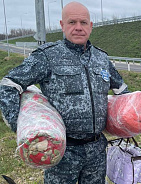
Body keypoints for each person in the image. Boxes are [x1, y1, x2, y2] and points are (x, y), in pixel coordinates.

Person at [0, 2, 128, 183]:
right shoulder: (47, 56)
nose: (78, 28)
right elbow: (8, 85)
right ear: (62, 25)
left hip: (97, 150)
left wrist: (133, 119)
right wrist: (20, 126)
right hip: (61, 153)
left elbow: (123, 92)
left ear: (91, 26)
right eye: (72, 22)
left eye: (83, 23)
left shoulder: (102, 58)